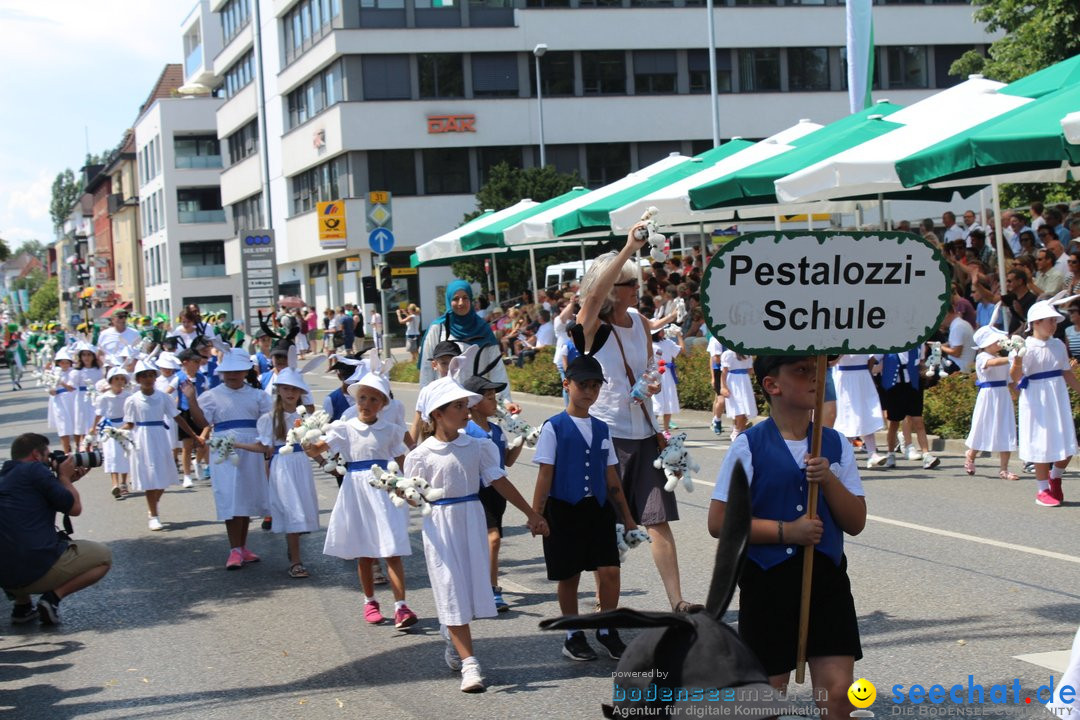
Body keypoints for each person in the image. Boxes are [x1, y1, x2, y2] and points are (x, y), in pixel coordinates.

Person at [708, 355, 866, 720]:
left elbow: (856, 521)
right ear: (771, 386)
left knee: (839, 695)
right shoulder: (748, 445)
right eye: (802, 372)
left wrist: (828, 480)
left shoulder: (837, 445)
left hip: (826, 580)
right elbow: (720, 522)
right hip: (768, 581)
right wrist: (787, 531)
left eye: (816, 371)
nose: (814, 379)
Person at [576, 226, 701, 613]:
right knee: (609, 527)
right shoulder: (594, 325)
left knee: (657, 520)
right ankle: (604, 605)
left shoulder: (639, 320)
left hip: (645, 433)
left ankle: (677, 600)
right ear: (613, 286)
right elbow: (593, 297)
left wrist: (651, 382)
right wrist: (629, 247)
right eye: (629, 282)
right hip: (607, 435)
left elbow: (649, 367)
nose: (635, 287)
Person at [405, 373, 548, 693]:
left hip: (471, 518)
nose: (466, 411)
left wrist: (531, 513)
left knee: (467, 589)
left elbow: (499, 480)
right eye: (458, 406)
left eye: (465, 405)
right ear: (437, 414)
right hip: (440, 527)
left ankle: (451, 634)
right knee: (450, 586)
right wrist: (407, 494)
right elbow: (415, 497)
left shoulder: (478, 446)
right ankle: (470, 665)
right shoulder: (419, 455)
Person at [532, 349, 639, 662]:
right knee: (570, 575)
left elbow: (612, 478)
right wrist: (536, 514)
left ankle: (607, 629)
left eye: (595, 386)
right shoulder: (554, 427)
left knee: (609, 570)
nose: (590, 391)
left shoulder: (602, 428)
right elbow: (545, 474)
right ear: (567, 384)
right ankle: (572, 633)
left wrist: (629, 518)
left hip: (598, 510)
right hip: (563, 509)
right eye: (583, 385)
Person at [309, 371, 416, 626]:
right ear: (356, 401)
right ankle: (370, 601)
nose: (367, 404)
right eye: (363, 398)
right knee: (364, 552)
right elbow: (316, 449)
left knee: (392, 549)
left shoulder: (391, 430)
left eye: (374, 399)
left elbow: (403, 462)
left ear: (382, 404)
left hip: (384, 491)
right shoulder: (344, 429)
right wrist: (306, 440)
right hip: (356, 492)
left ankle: (401, 606)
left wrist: (411, 488)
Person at [0, 433, 112, 625]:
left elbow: (33, 503)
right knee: (103, 556)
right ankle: (52, 599)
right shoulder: (36, 470)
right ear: (36, 455)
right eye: (48, 455)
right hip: (35, 569)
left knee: (13, 539)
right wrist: (64, 479)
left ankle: (22, 607)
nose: (51, 460)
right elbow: (75, 509)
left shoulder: (6, 476)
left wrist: (62, 483)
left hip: (5, 577)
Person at [184, 348, 274, 569]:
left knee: (245, 497)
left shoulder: (258, 395)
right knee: (230, 495)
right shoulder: (213, 395)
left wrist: (268, 445)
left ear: (245, 372)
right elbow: (203, 421)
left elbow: (268, 421)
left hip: (250, 447)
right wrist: (192, 400)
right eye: (228, 372)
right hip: (224, 449)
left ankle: (242, 547)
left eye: (237, 371)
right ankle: (234, 548)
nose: (232, 375)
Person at [236, 368, 321, 578]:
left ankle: (293, 550)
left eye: (295, 389)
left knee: (301, 509)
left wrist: (327, 463)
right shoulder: (270, 418)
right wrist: (237, 444)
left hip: (301, 465)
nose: (290, 393)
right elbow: (265, 447)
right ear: (278, 390)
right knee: (292, 510)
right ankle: (296, 561)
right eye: (286, 388)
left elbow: (310, 446)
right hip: (283, 466)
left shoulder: (306, 418)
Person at [1010, 296, 1080, 507]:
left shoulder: (1058, 344)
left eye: (1054, 320)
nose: (1054, 324)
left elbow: (1066, 372)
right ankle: (1042, 490)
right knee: (1041, 443)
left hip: (1057, 395)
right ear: (1036, 323)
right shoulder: (1024, 345)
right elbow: (1015, 377)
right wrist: (1018, 358)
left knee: (1068, 444)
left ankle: (1055, 477)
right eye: (1050, 320)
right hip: (1035, 398)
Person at [463, 373, 523, 613]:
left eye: (494, 397)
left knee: (488, 542)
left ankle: (480, 586)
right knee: (493, 539)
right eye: (489, 397)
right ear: (474, 403)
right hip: (476, 492)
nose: (494, 402)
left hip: (498, 495)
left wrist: (520, 441)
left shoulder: (497, 430)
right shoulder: (465, 430)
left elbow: (506, 461)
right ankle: (492, 589)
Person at [125, 359, 200, 531]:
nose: (148, 379)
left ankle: (153, 505)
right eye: (144, 376)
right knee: (149, 477)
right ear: (138, 379)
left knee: (162, 477)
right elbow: (129, 424)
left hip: (160, 436)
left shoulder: (163, 397)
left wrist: (193, 434)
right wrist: (113, 432)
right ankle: (154, 514)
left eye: (151, 375)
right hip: (142, 439)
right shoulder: (132, 400)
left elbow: (177, 417)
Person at [418, 281, 511, 404]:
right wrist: (425, 405)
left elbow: (496, 368)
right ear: (449, 300)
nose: (461, 303)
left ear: (471, 300)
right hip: (446, 402)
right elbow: (427, 368)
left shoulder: (483, 329)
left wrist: (506, 402)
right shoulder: (438, 328)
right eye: (456, 299)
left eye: (465, 298)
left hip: (476, 402)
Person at [964, 326, 1018, 480]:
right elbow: (992, 363)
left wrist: (1019, 396)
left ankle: (1004, 469)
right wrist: (1011, 357)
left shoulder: (1003, 358)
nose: (999, 343)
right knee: (983, 427)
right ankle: (971, 456)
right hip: (988, 396)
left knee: (1006, 428)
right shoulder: (983, 357)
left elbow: (1010, 380)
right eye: (996, 341)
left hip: (1003, 396)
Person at [832, 355, 886, 469]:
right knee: (847, 417)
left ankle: (872, 453)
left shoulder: (863, 338)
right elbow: (832, 362)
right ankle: (848, 456)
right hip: (845, 379)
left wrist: (869, 372)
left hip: (863, 377)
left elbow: (872, 358)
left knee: (867, 414)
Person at [91, 367, 133, 499]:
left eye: (122, 379)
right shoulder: (104, 397)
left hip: (124, 426)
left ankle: (123, 483)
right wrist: (93, 427)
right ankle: (114, 483)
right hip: (109, 428)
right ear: (110, 381)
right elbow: (99, 413)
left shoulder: (128, 396)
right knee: (112, 455)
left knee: (125, 454)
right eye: (116, 379)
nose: (119, 381)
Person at [650, 327, 681, 436]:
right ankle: (652, 427)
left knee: (669, 401)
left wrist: (679, 335)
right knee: (656, 402)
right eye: (661, 330)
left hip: (667, 374)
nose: (663, 331)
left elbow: (680, 351)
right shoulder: (650, 344)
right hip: (656, 374)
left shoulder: (668, 343)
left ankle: (666, 430)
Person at [720, 348, 755, 442]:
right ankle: (736, 431)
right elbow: (724, 372)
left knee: (745, 408)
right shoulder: (728, 354)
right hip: (734, 382)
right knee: (739, 408)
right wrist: (723, 387)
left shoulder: (747, 354)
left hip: (744, 381)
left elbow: (750, 370)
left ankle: (741, 431)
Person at [48, 346, 78, 454]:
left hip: (72, 400)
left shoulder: (73, 372)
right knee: (63, 426)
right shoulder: (54, 373)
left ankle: (79, 448)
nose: (64, 365)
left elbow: (71, 387)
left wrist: (61, 382)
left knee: (75, 424)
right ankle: (66, 450)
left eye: (67, 362)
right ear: (58, 363)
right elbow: (51, 390)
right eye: (62, 363)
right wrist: (52, 386)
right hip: (59, 402)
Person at [707, 333, 726, 435]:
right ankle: (716, 420)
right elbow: (712, 359)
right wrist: (713, 377)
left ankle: (716, 419)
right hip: (719, 371)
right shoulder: (715, 340)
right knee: (720, 399)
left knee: (719, 399)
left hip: (730, 371)